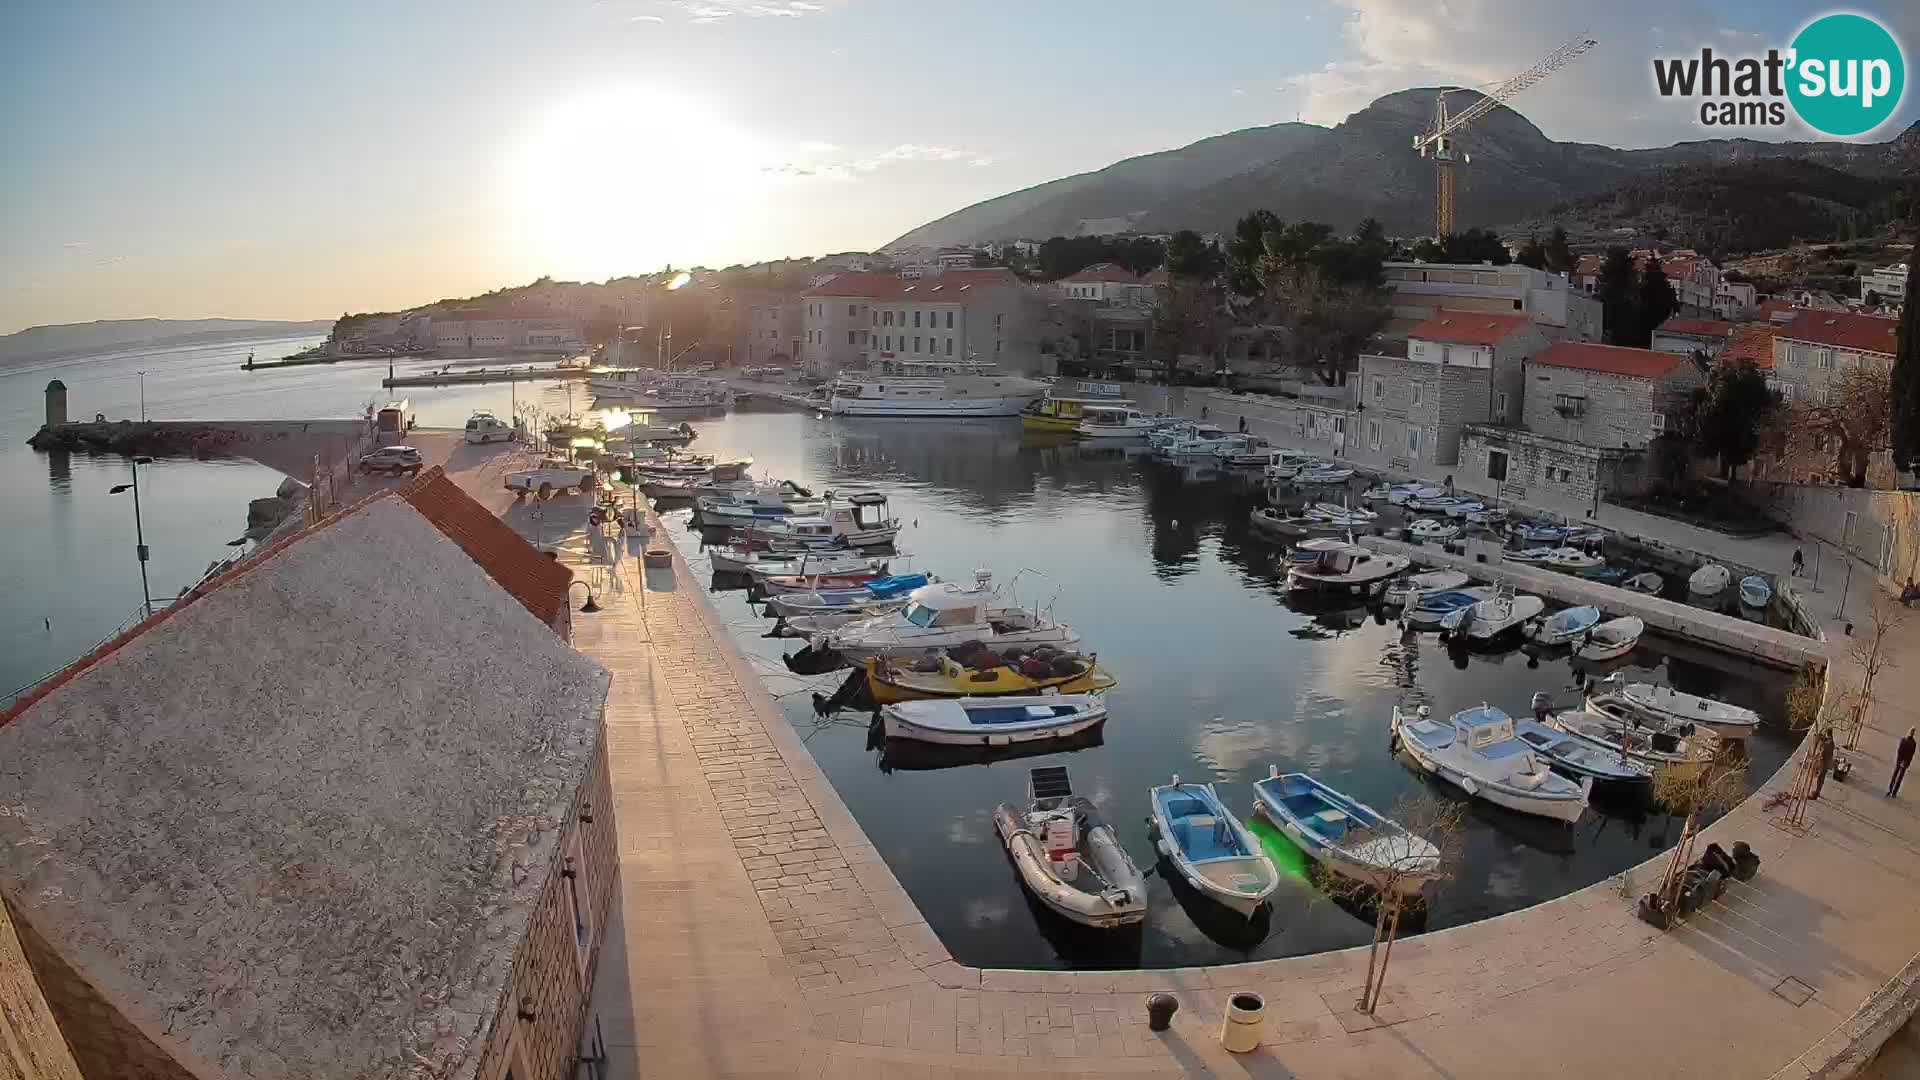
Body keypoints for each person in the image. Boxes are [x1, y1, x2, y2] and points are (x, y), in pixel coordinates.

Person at [1892, 728, 1917, 797]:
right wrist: (1905, 762)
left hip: (1902, 761)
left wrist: (1902, 761)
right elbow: (1901, 751)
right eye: (1911, 732)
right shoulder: (1910, 742)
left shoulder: (1906, 740)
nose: (1911, 733)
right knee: (1898, 776)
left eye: (1912, 732)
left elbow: (1909, 753)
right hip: (1903, 761)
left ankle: (1892, 790)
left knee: (1897, 775)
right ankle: (1892, 791)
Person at [1812, 730, 1834, 799]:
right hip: (1826, 762)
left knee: (1820, 778)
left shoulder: (1829, 742)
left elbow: (1824, 747)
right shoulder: (1831, 741)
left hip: (1824, 763)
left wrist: (1819, 740)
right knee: (1821, 777)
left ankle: (1816, 792)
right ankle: (1817, 792)